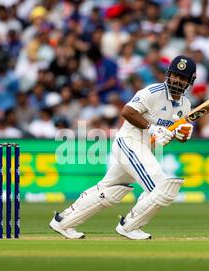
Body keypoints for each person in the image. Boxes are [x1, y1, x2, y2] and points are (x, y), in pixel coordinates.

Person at [49, 55, 196, 240]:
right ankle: (129, 225)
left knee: (110, 190)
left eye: (183, 77)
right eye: (175, 75)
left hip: (145, 148)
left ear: (190, 81)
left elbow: (171, 133)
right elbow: (127, 111)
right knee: (161, 188)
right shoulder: (153, 92)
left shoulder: (186, 105)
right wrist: (152, 128)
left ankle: (63, 221)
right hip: (129, 142)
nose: (177, 80)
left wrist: (180, 135)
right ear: (169, 74)